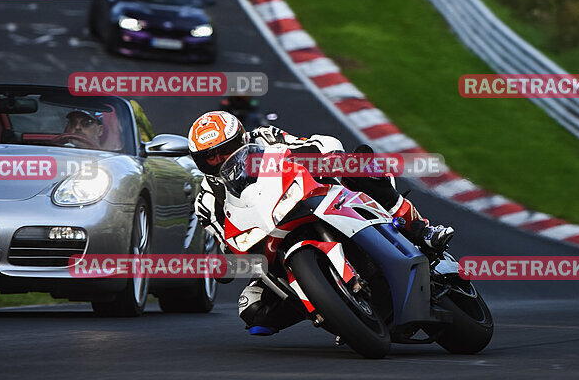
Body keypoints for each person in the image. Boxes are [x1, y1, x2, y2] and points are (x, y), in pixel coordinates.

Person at [188, 109, 454, 334]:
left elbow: (311, 144)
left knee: (358, 165)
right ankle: (325, 307)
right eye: (211, 157)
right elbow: (223, 240)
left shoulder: (264, 138)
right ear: (201, 162)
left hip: (309, 196)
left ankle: (422, 230)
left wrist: (321, 155)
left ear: (242, 138)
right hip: (269, 241)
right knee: (252, 310)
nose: (220, 160)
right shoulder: (206, 199)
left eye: (226, 150)